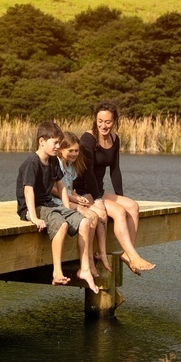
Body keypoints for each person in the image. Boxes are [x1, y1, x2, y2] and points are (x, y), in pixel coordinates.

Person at [16, 120, 99, 293]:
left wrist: (68, 209)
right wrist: (33, 217)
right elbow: (28, 192)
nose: (57, 147)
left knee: (84, 222)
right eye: (54, 143)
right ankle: (57, 271)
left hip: (49, 204)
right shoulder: (33, 162)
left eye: (58, 143)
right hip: (34, 207)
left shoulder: (53, 161)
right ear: (42, 141)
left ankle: (84, 269)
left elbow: (61, 187)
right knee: (61, 224)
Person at [79, 101, 155, 275]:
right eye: (100, 121)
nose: (103, 125)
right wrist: (97, 199)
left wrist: (121, 196)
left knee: (132, 206)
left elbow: (115, 170)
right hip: (84, 191)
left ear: (114, 121)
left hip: (99, 190)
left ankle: (128, 255)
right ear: (95, 119)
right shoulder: (87, 139)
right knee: (119, 211)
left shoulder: (114, 139)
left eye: (108, 122)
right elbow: (88, 173)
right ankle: (134, 255)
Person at [56, 130, 110, 275]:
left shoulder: (71, 166)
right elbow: (53, 190)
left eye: (77, 151)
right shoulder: (57, 164)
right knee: (91, 216)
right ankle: (88, 263)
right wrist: (73, 199)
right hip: (58, 201)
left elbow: (70, 189)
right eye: (71, 151)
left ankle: (100, 253)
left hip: (69, 199)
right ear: (61, 149)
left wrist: (77, 196)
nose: (74, 154)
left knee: (99, 213)